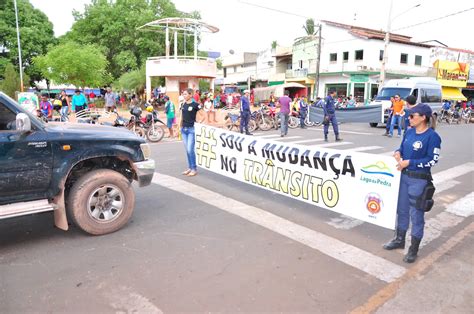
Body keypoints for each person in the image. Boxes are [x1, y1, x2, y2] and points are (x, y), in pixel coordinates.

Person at [383, 104, 441, 263]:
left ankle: (413, 248)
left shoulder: (432, 136)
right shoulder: (409, 132)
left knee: (416, 215)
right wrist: (397, 152)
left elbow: (432, 160)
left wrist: (410, 162)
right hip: (403, 177)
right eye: (408, 116)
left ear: (423, 117)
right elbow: (402, 147)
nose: (409, 118)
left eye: (412, 116)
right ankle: (399, 239)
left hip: (419, 180)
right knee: (401, 210)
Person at [179, 88, 204, 177]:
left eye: (185, 94)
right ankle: (190, 167)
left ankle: (194, 169)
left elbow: (203, 115)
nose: (184, 96)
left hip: (191, 130)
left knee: (190, 150)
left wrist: (198, 123)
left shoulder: (196, 105)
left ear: (190, 95)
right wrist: (179, 127)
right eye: (183, 94)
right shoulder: (183, 104)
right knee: (187, 150)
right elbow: (181, 117)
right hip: (184, 129)